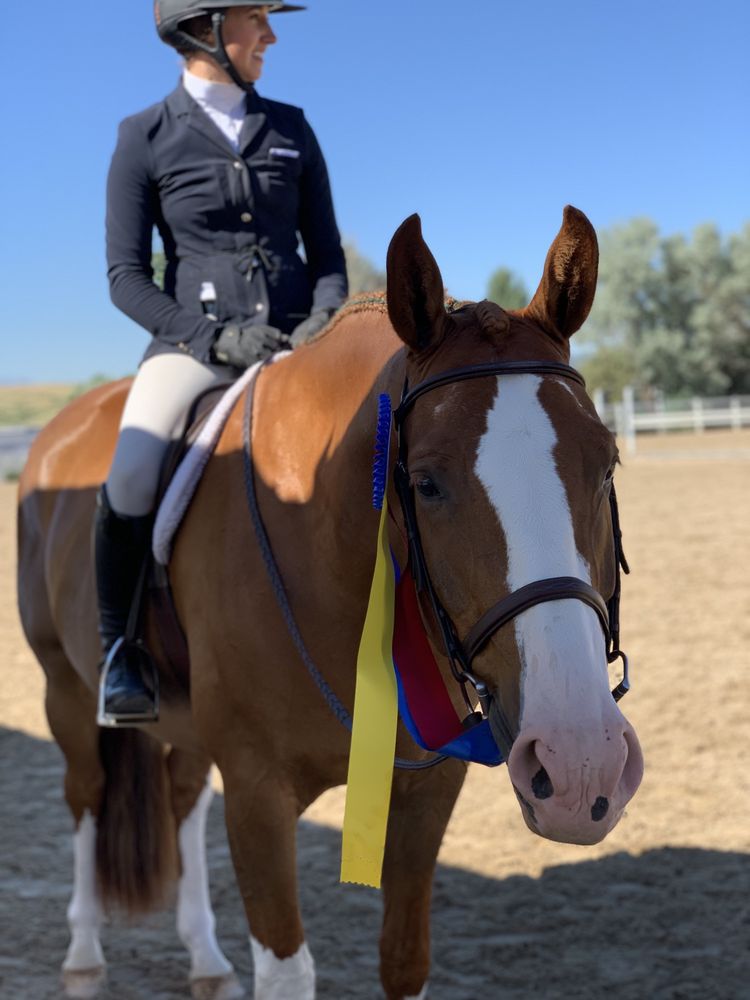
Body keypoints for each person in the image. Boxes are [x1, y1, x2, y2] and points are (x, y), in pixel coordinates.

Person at [97, 0, 348, 725]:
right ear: (202, 29)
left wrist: (322, 323)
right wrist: (211, 340)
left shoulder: (292, 128)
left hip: (300, 345)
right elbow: (125, 277)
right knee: (132, 470)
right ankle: (121, 653)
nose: (270, 33)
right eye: (254, 17)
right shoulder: (142, 136)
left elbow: (326, 255)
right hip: (193, 349)